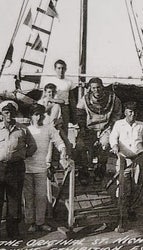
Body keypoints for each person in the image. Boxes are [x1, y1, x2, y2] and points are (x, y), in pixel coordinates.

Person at [24, 104, 67, 233]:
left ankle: (40, 222)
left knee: (41, 196)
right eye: (36, 114)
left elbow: (59, 142)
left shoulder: (49, 129)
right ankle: (30, 223)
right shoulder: (26, 130)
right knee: (28, 197)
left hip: (41, 168)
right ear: (31, 116)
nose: (39, 117)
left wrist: (63, 152)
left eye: (41, 114)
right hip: (26, 168)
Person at [0, 101, 37, 238]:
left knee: (14, 200)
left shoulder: (22, 129)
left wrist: (21, 155)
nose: (9, 115)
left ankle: (13, 232)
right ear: (2, 114)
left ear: (16, 113)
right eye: (6, 112)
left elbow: (32, 146)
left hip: (16, 168)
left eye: (11, 112)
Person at [76, 77, 122, 182]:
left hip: (106, 128)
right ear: (90, 89)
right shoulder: (85, 99)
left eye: (98, 87)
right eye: (93, 88)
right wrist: (83, 128)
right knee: (81, 146)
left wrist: (110, 126)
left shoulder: (112, 98)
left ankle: (100, 170)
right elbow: (80, 114)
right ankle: (84, 171)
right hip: (89, 128)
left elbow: (117, 113)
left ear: (102, 87)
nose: (96, 90)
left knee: (105, 145)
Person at [109, 102, 143, 222]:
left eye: (135, 112)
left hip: (138, 158)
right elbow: (113, 137)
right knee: (123, 184)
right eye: (130, 112)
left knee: (137, 184)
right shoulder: (119, 124)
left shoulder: (142, 125)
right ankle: (121, 211)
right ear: (125, 112)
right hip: (123, 158)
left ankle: (132, 210)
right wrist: (114, 146)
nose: (133, 114)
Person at [43, 59, 78, 135]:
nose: (61, 70)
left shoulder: (69, 82)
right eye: (58, 68)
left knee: (64, 130)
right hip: (52, 107)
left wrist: (74, 113)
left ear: (65, 69)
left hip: (65, 107)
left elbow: (72, 99)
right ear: (55, 69)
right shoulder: (50, 80)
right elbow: (44, 95)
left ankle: (64, 146)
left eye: (63, 68)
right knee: (51, 127)